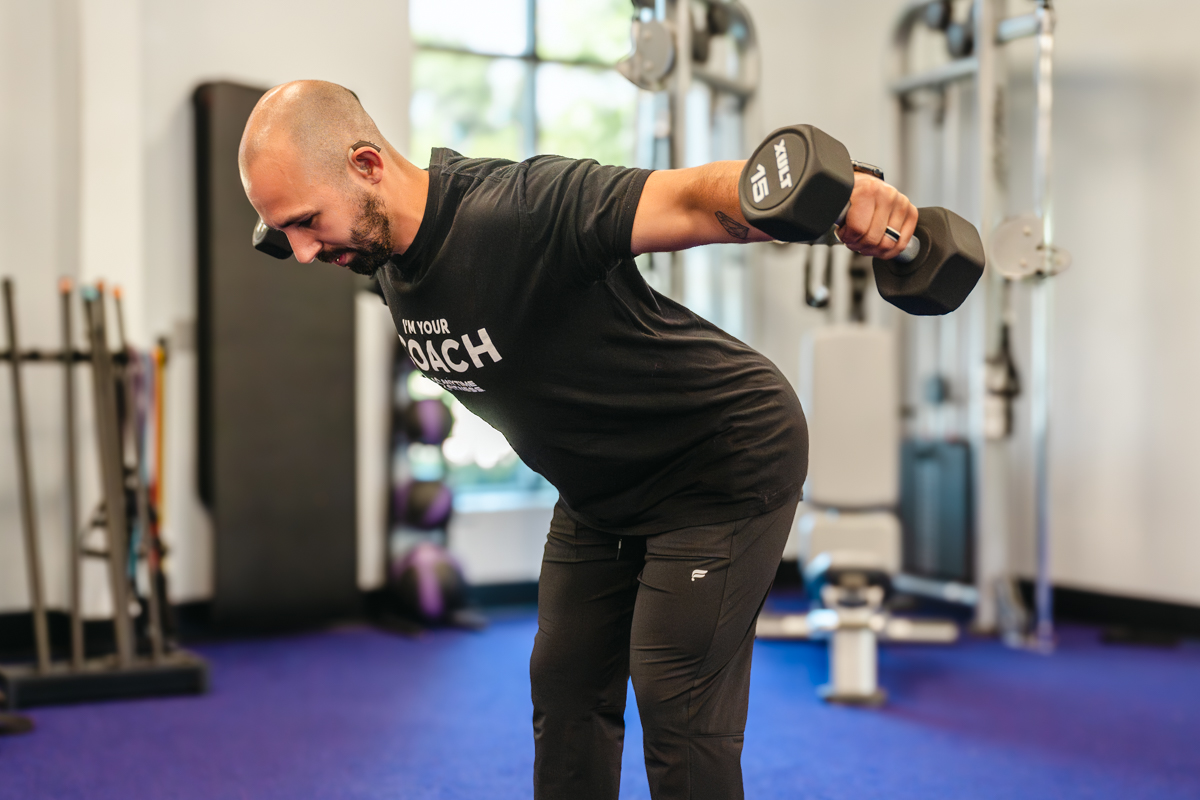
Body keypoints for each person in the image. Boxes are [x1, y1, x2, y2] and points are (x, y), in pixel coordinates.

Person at [239, 80, 918, 800]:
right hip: (600, 492)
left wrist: (843, 199)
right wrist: (299, 220)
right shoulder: (376, 255)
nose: (305, 253)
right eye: (288, 233)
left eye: (309, 222)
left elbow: (691, 199)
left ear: (368, 165)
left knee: (676, 700)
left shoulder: (520, 211)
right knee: (564, 691)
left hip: (720, 457)